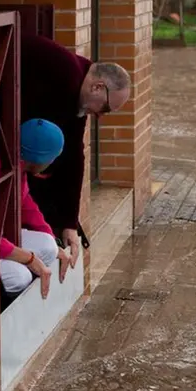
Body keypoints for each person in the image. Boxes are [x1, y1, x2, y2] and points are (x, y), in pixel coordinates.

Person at [19, 34, 131, 267]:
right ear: (98, 87)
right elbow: (54, 155)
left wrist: (69, 222)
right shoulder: (66, 76)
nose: (101, 116)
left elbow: (73, 156)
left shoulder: (77, 86)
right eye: (106, 108)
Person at [0, 119, 71, 300]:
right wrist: (29, 259)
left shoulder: (18, 169)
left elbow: (27, 205)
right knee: (18, 276)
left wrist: (54, 243)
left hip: (0, 241)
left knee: (48, 247)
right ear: (43, 158)